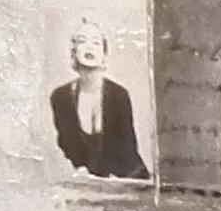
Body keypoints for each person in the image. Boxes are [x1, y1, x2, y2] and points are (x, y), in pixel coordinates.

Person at [48, 18, 148, 180]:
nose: (89, 47)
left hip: (126, 177)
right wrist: (82, 172)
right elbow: (67, 145)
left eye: (96, 42)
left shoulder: (119, 95)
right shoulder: (61, 97)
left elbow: (127, 148)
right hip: (84, 181)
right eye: (82, 41)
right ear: (73, 52)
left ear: (104, 54)